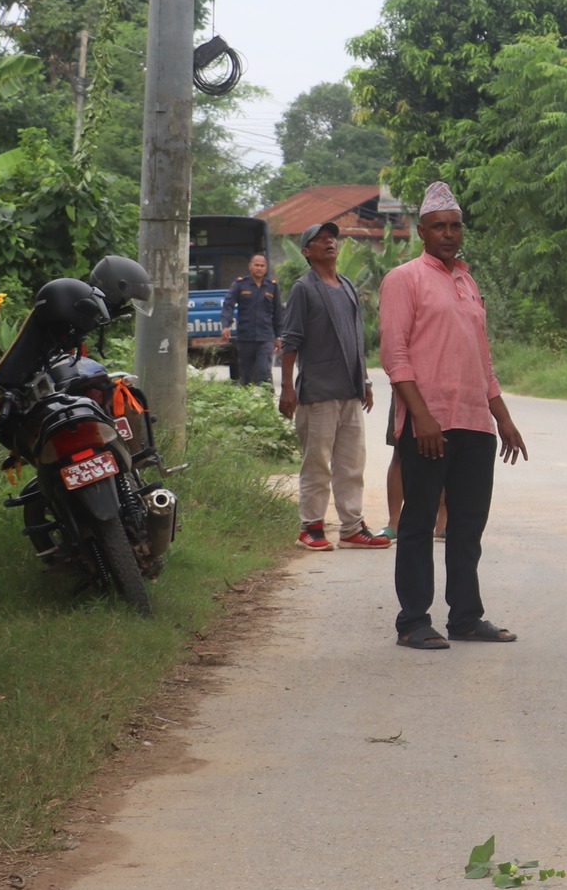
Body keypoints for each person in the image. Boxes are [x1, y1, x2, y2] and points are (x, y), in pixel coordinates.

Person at [382, 182, 529, 650]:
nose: (448, 233)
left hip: (474, 424)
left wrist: (502, 417)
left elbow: (482, 360)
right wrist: (422, 417)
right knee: (419, 521)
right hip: (429, 423)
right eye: (439, 226)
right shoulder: (404, 278)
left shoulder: (467, 281)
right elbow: (395, 354)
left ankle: (466, 617)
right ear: (422, 231)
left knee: (467, 526)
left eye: (455, 226)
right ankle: (413, 622)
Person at [278, 222, 388, 553]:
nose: (329, 243)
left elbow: (356, 340)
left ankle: (352, 527)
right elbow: (291, 342)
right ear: (306, 252)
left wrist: (365, 380)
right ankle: (310, 527)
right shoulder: (303, 289)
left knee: (351, 463)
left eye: (331, 238)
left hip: (350, 391)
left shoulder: (348, 286)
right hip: (318, 391)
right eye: (319, 240)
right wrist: (287, 388)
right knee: (316, 463)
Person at [220, 252, 281, 387]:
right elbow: (228, 304)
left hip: (265, 338)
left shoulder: (272, 286)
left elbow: (277, 313)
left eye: (262, 265)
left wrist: (278, 336)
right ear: (250, 266)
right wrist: (225, 325)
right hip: (245, 337)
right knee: (246, 376)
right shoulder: (240, 284)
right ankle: (247, 406)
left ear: (266, 268)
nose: (259, 268)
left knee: (264, 373)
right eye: (256, 265)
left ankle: (266, 404)